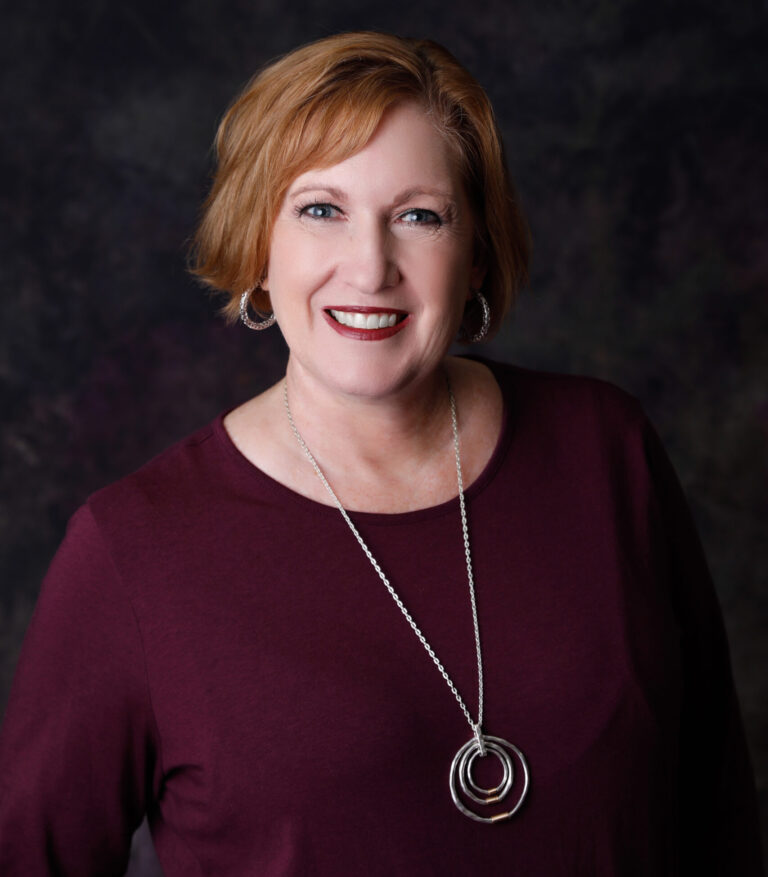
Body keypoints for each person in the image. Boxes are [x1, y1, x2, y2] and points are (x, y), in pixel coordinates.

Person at [0, 31, 762, 876]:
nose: (370, 268)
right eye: (320, 210)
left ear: (476, 255)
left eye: (418, 216)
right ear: (258, 244)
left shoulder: (607, 451)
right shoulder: (133, 548)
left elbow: (718, 815)